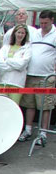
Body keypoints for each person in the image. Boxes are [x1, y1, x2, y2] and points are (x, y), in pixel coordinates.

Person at [18, 10, 56, 146]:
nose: (43, 25)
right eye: (41, 23)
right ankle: (27, 130)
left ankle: (43, 132)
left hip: (46, 77)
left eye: (46, 23)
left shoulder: (55, 35)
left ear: (52, 20)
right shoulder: (35, 33)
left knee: (45, 106)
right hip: (30, 74)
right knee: (29, 104)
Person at [0, 24, 31, 104]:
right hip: (2, 82)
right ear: (14, 33)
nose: (20, 35)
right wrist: (14, 64)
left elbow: (22, 65)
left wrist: (8, 60)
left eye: (22, 33)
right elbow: (0, 64)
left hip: (17, 83)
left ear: (25, 35)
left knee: (13, 108)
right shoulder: (5, 47)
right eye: (18, 32)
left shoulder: (27, 48)